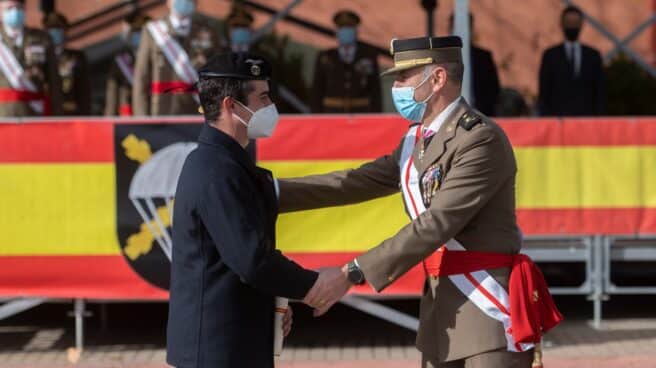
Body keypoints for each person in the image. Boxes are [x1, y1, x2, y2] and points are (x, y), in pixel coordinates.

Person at [276, 36, 563, 367]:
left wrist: (353, 272)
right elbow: (355, 183)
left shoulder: (480, 139)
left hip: (486, 316)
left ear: (437, 79)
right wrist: (272, 192)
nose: (396, 87)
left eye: (404, 78)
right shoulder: (416, 140)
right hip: (442, 316)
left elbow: (436, 224)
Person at [166, 52, 331, 368]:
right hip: (216, 350)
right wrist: (313, 286)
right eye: (263, 98)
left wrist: (273, 300)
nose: (270, 108)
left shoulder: (224, 163)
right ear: (231, 105)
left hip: (230, 344)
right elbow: (252, 259)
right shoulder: (217, 170)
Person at [132, 0, 222, 115]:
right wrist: (141, 117)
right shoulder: (152, 31)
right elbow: (141, 76)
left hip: (197, 110)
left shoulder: (208, 31)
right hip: (162, 110)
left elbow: (218, 75)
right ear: (168, 2)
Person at [538, 5, 606, 116]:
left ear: (581, 24)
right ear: (562, 24)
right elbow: (544, 92)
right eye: (569, 22)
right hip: (558, 120)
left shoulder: (593, 56)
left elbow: (599, 91)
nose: (572, 26)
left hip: (587, 119)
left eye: (575, 22)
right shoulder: (550, 56)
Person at [310, 10, 381, 113]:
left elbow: (375, 91)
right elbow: (317, 90)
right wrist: (316, 117)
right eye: (342, 28)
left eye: (349, 27)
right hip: (331, 114)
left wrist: (376, 117)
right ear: (337, 32)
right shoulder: (325, 57)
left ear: (356, 31)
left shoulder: (368, 56)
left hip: (361, 113)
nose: (346, 31)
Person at [0, 0, 61, 117]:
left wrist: (57, 117)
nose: (15, 12)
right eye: (9, 8)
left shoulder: (42, 39)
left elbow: (54, 82)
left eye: (18, 8)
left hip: (33, 113)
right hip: (3, 115)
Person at [449, 12, 500, 116]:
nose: (460, 32)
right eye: (456, 27)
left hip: (481, 116)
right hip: (449, 116)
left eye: (465, 27)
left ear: (471, 29)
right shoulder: (443, 59)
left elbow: (494, 90)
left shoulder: (484, 57)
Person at [42, 12, 90, 116]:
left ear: (65, 31)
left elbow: (84, 92)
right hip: (45, 114)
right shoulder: (41, 57)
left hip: (70, 113)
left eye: (58, 29)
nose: (55, 33)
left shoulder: (77, 57)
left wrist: (85, 116)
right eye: (51, 29)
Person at [104, 12, 150, 116]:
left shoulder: (157, 58)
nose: (138, 36)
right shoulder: (120, 61)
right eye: (135, 32)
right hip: (128, 116)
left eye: (141, 32)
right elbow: (112, 97)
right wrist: (108, 120)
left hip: (152, 116)